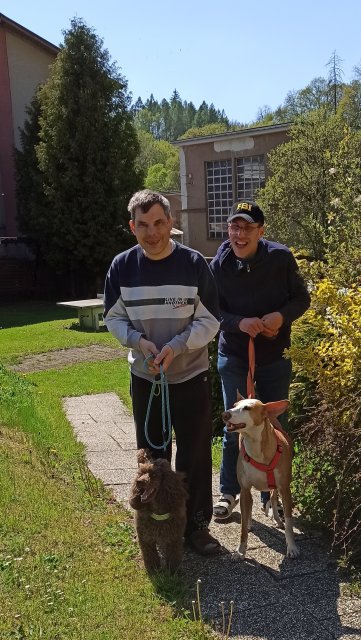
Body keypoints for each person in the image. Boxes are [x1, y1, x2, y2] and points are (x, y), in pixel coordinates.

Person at [104, 189, 222, 555]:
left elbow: (210, 319)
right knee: (153, 457)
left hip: (190, 376)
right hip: (146, 378)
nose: (152, 232)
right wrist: (140, 343)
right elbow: (114, 318)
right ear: (132, 227)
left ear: (171, 223)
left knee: (195, 453)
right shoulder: (122, 266)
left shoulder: (193, 263)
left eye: (159, 223)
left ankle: (196, 527)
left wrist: (178, 345)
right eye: (143, 225)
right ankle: (156, 524)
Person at [210, 199, 310, 519]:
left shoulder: (281, 258)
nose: (239, 235)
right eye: (234, 227)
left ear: (261, 231)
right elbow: (212, 311)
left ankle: (272, 497)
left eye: (247, 228)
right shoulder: (219, 264)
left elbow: (302, 299)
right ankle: (228, 492)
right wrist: (239, 323)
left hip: (275, 356)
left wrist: (281, 316)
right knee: (234, 424)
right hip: (234, 355)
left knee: (276, 426)